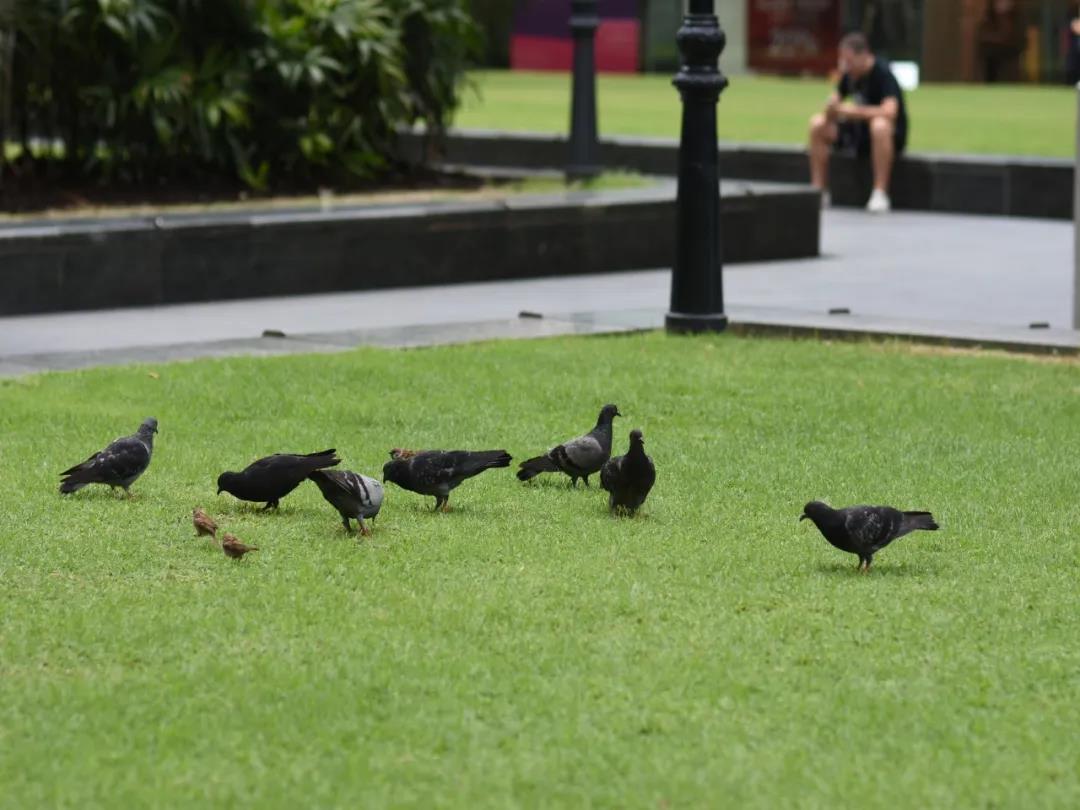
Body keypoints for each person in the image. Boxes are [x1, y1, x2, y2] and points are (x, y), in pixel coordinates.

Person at [807, 32, 908, 214]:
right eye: (843, 61)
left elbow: (890, 111)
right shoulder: (849, 76)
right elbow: (835, 102)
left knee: (880, 125)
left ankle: (880, 192)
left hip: (886, 137)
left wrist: (851, 111)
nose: (846, 65)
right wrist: (831, 109)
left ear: (864, 55)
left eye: (849, 60)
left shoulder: (883, 74)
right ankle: (819, 190)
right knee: (817, 124)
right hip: (857, 134)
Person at [977, 0, 1025, 83]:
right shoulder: (989, 17)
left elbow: (1016, 36)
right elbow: (984, 35)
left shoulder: (1016, 16)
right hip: (992, 52)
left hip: (1011, 49)